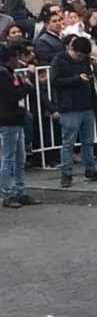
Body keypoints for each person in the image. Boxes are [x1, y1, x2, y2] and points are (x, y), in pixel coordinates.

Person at [50, 37, 97, 188]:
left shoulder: (85, 60)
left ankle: (90, 170)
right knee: (68, 142)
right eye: (80, 56)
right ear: (73, 50)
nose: (81, 59)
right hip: (70, 106)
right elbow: (55, 81)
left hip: (86, 104)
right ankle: (66, 174)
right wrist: (76, 79)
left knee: (88, 141)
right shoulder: (59, 60)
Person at [0, 42, 39, 208]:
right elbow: (11, 96)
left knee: (19, 157)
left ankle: (19, 191)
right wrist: (27, 87)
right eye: (17, 56)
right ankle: (6, 194)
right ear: (11, 58)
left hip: (15, 118)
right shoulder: (3, 75)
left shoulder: (9, 73)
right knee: (8, 158)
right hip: (8, 119)